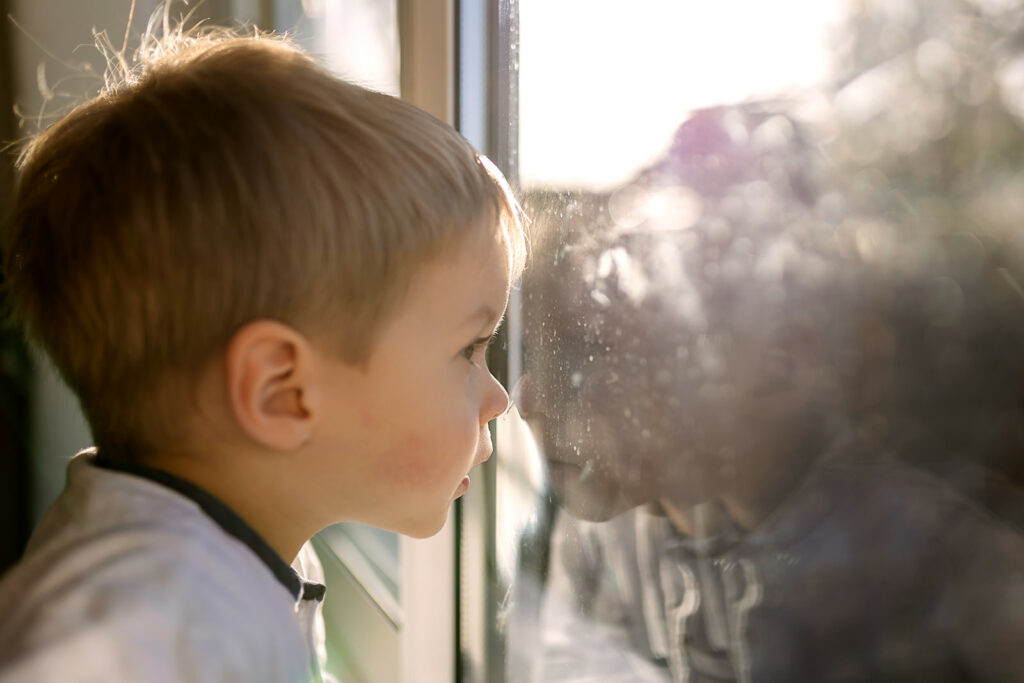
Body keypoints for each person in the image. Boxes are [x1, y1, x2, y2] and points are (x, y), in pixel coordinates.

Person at [0, 26, 526, 682]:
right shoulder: (141, 627)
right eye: (469, 350)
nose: (498, 397)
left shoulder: (236, 547)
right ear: (281, 389)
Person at [515, 104, 1024, 682]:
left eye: (596, 346)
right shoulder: (609, 539)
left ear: (782, 361)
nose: (526, 397)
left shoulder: (949, 577)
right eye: (540, 351)